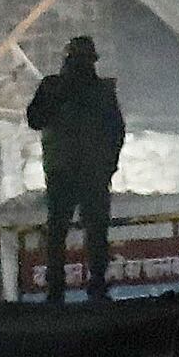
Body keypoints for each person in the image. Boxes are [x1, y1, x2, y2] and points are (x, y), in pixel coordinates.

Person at [26, 33, 126, 290]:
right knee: (79, 230)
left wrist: (107, 167)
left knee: (67, 230)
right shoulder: (72, 90)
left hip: (73, 172)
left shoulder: (94, 92)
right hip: (82, 172)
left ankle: (71, 284)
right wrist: (107, 167)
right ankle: (83, 282)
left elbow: (116, 131)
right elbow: (35, 119)